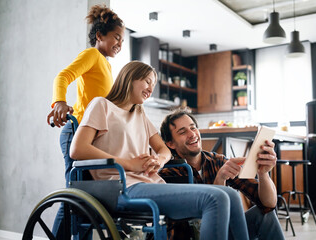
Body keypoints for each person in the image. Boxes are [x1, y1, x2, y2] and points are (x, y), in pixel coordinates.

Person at [69, 60, 251, 240]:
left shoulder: (139, 113)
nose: (150, 88)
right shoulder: (102, 105)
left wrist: (159, 160)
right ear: (129, 77)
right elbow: (77, 149)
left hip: (150, 183)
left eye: (153, 84)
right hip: (121, 187)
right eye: (147, 81)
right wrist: (129, 164)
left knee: (230, 195)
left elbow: (163, 149)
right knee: (215, 198)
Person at [46, 5, 125, 238]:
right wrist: (59, 102)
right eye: (116, 38)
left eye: (122, 40)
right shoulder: (92, 55)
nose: (120, 43)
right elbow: (62, 76)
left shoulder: (108, 65)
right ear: (99, 36)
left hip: (91, 138)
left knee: (87, 197)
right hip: (76, 131)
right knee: (76, 195)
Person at [159, 109, 285, 240]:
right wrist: (220, 180)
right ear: (170, 143)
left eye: (193, 128)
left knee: (264, 214)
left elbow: (268, 204)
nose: (192, 134)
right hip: (193, 236)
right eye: (183, 132)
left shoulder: (217, 161)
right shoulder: (169, 173)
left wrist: (263, 173)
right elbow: (199, 224)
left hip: (223, 233)